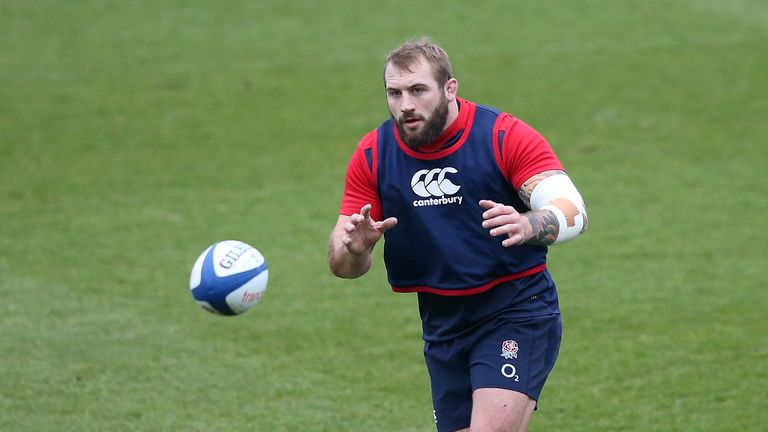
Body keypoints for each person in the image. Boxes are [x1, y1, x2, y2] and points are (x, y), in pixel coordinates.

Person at [327, 38, 588, 432]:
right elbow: (342, 264)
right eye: (394, 93)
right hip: (442, 324)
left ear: (450, 89)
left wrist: (529, 224)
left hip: (515, 310)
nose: (405, 105)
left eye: (418, 90)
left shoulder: (503, 136)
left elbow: (573, 209)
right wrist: (356, 248)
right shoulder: (374, 153)